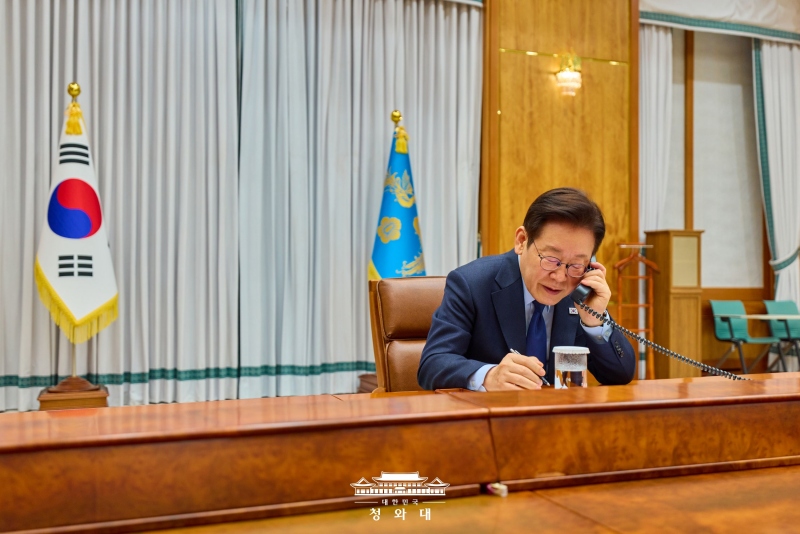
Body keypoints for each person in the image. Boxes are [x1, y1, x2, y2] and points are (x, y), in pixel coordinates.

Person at [417, 187, 636, 391]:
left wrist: (595, 321)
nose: (560, 277)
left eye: (576, 264)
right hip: (490, 423)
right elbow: (433, 364)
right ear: (522, 241)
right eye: (551, 259)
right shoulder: (472, 283)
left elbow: (620, 375)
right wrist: (488, 376)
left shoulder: (578, 294)